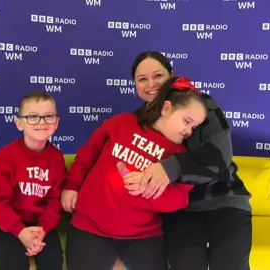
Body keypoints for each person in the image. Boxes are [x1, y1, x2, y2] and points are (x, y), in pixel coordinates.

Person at [61, 76, 207, 270]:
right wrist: (71, 186)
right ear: (166, 108)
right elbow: (87, 156)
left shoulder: (182, 156)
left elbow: (179, 200)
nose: (189, 131)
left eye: (194, 127)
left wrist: (150, 188)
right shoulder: (122, 123)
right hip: (89, 226)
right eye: (186, 121)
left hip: (143, 235)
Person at [124, 51, 252, 270]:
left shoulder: (201, 105)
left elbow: (219, 157)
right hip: (179, 211)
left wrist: (170, 168)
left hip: (224, 201)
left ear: (172, 76)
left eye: (158, 75)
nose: (151, 84)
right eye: (142, 79)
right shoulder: (136, 122)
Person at [0, 92, 65, 270]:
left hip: (40, 225)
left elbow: (54, 199)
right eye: (33, 116)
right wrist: (19, 231)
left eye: (48, 116)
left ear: (56, 123)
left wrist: (43, 228)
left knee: (54, 261)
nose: (42, 122)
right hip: (7, 224)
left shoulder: (57, 158)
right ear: (19, 123)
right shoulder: (3, 159)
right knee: (13, 264)